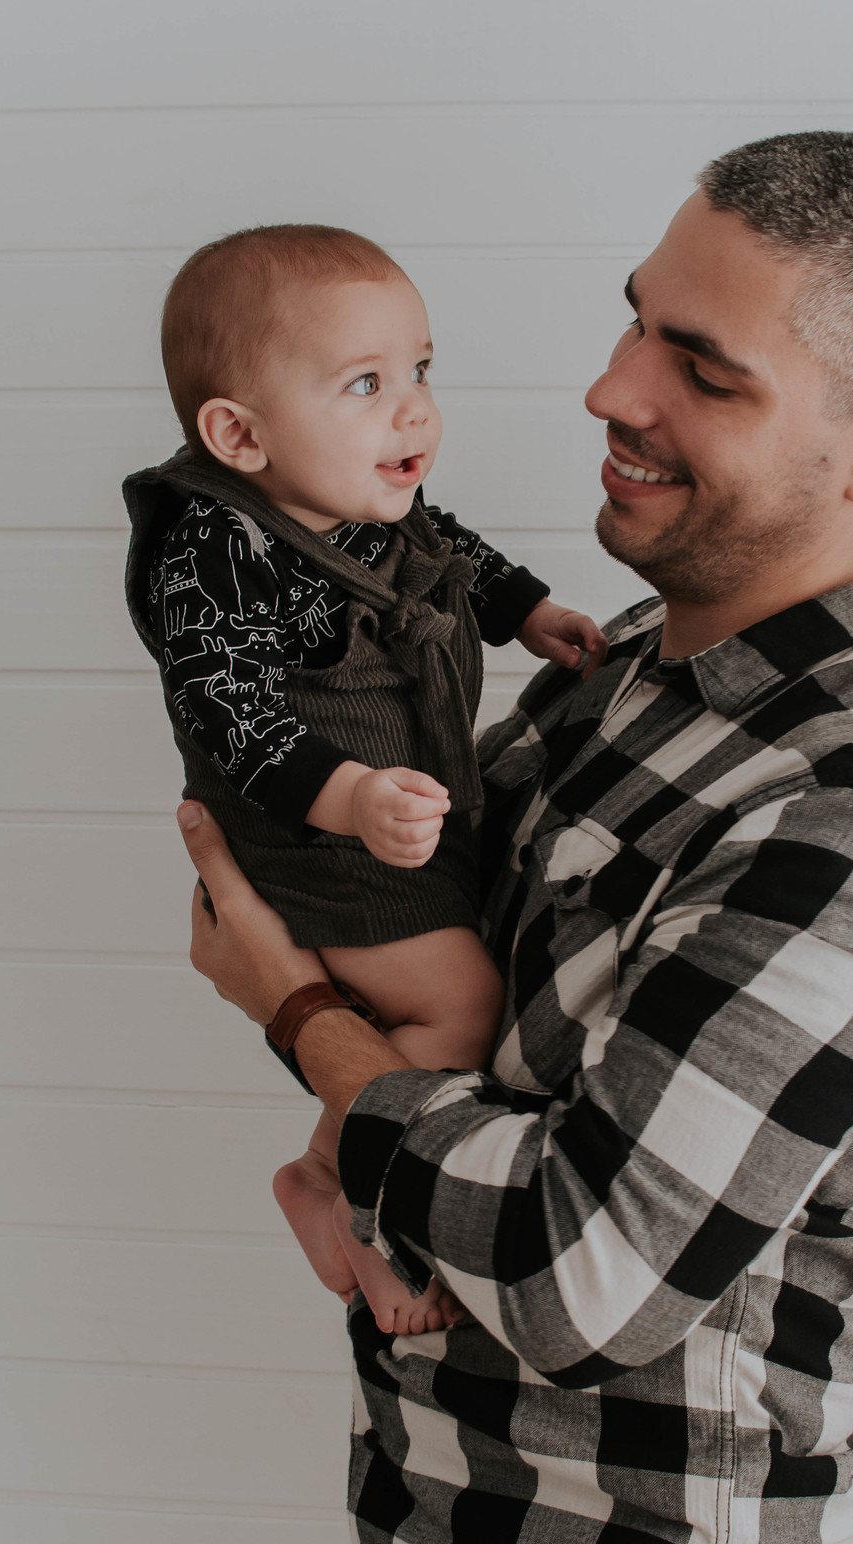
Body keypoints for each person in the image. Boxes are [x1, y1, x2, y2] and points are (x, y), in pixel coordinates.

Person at [177, 132, 853, 1544]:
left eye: (701, 368)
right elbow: (426, 960)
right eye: (637, 320)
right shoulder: (626, 668)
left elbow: (584, 1274)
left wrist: (299, 1013)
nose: (610, 389)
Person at [121, 225, 606, 1333]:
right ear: (239, 434)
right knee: (462, 1004)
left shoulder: (363, 499)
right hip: (308, 832)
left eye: (421, 370)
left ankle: (332, 1177)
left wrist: (529, 611)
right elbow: (223, 708)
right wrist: (349, 799)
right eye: (366, 384)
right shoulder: (216, 548)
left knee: (454, 987)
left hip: (395, 808)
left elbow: (451, 550)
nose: (414, 410)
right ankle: (342, 1195)